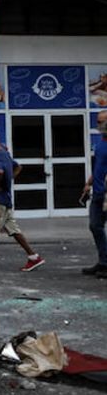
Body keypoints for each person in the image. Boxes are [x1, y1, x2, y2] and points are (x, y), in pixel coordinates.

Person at [0, 130, 45, 272]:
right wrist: (9, 179)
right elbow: (18, 167)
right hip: (6, 198)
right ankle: (33, 257)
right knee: (14, 230)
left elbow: (0, 172)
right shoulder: (5, 153)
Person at [80, 111, 107, 278]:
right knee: (95, 226)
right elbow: (98, 167)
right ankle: (103, 262)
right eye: (98, 121)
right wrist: (88, 183)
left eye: (102, 121)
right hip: (98, 193)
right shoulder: (100, 143)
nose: (100, 125)